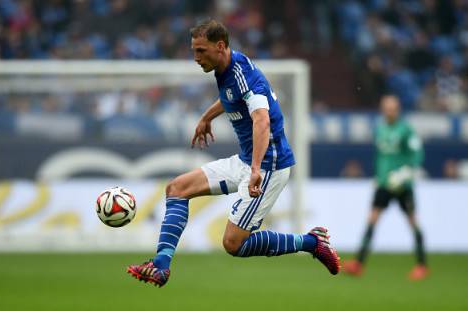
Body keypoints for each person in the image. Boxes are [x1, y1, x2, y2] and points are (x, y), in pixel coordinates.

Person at [127, 19, 340, 287]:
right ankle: (160, 266)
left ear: (220, 46)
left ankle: (311, 242)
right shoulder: (226, 70)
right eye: (194, 51)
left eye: (200, 51)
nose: (196, 58)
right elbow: (231, 96)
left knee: (233, 243)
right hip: (246, 161)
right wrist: (207, 116)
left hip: (267, 167)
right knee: (177, 188)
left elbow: (261, 120)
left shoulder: (244, 75)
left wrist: (255, 170)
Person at [342, 95, 428, 280]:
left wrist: (405, 172)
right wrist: (379, 176)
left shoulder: (406, 130)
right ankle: (359, 263)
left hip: (402, 185)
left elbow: (417, 154)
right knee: (372, 220)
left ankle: (422, 265)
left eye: (392, 108)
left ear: (398, 109)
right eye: (386, 108)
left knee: (413, 221)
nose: (389, 111)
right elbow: (381, 156)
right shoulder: (379, 129)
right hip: (383, 184)